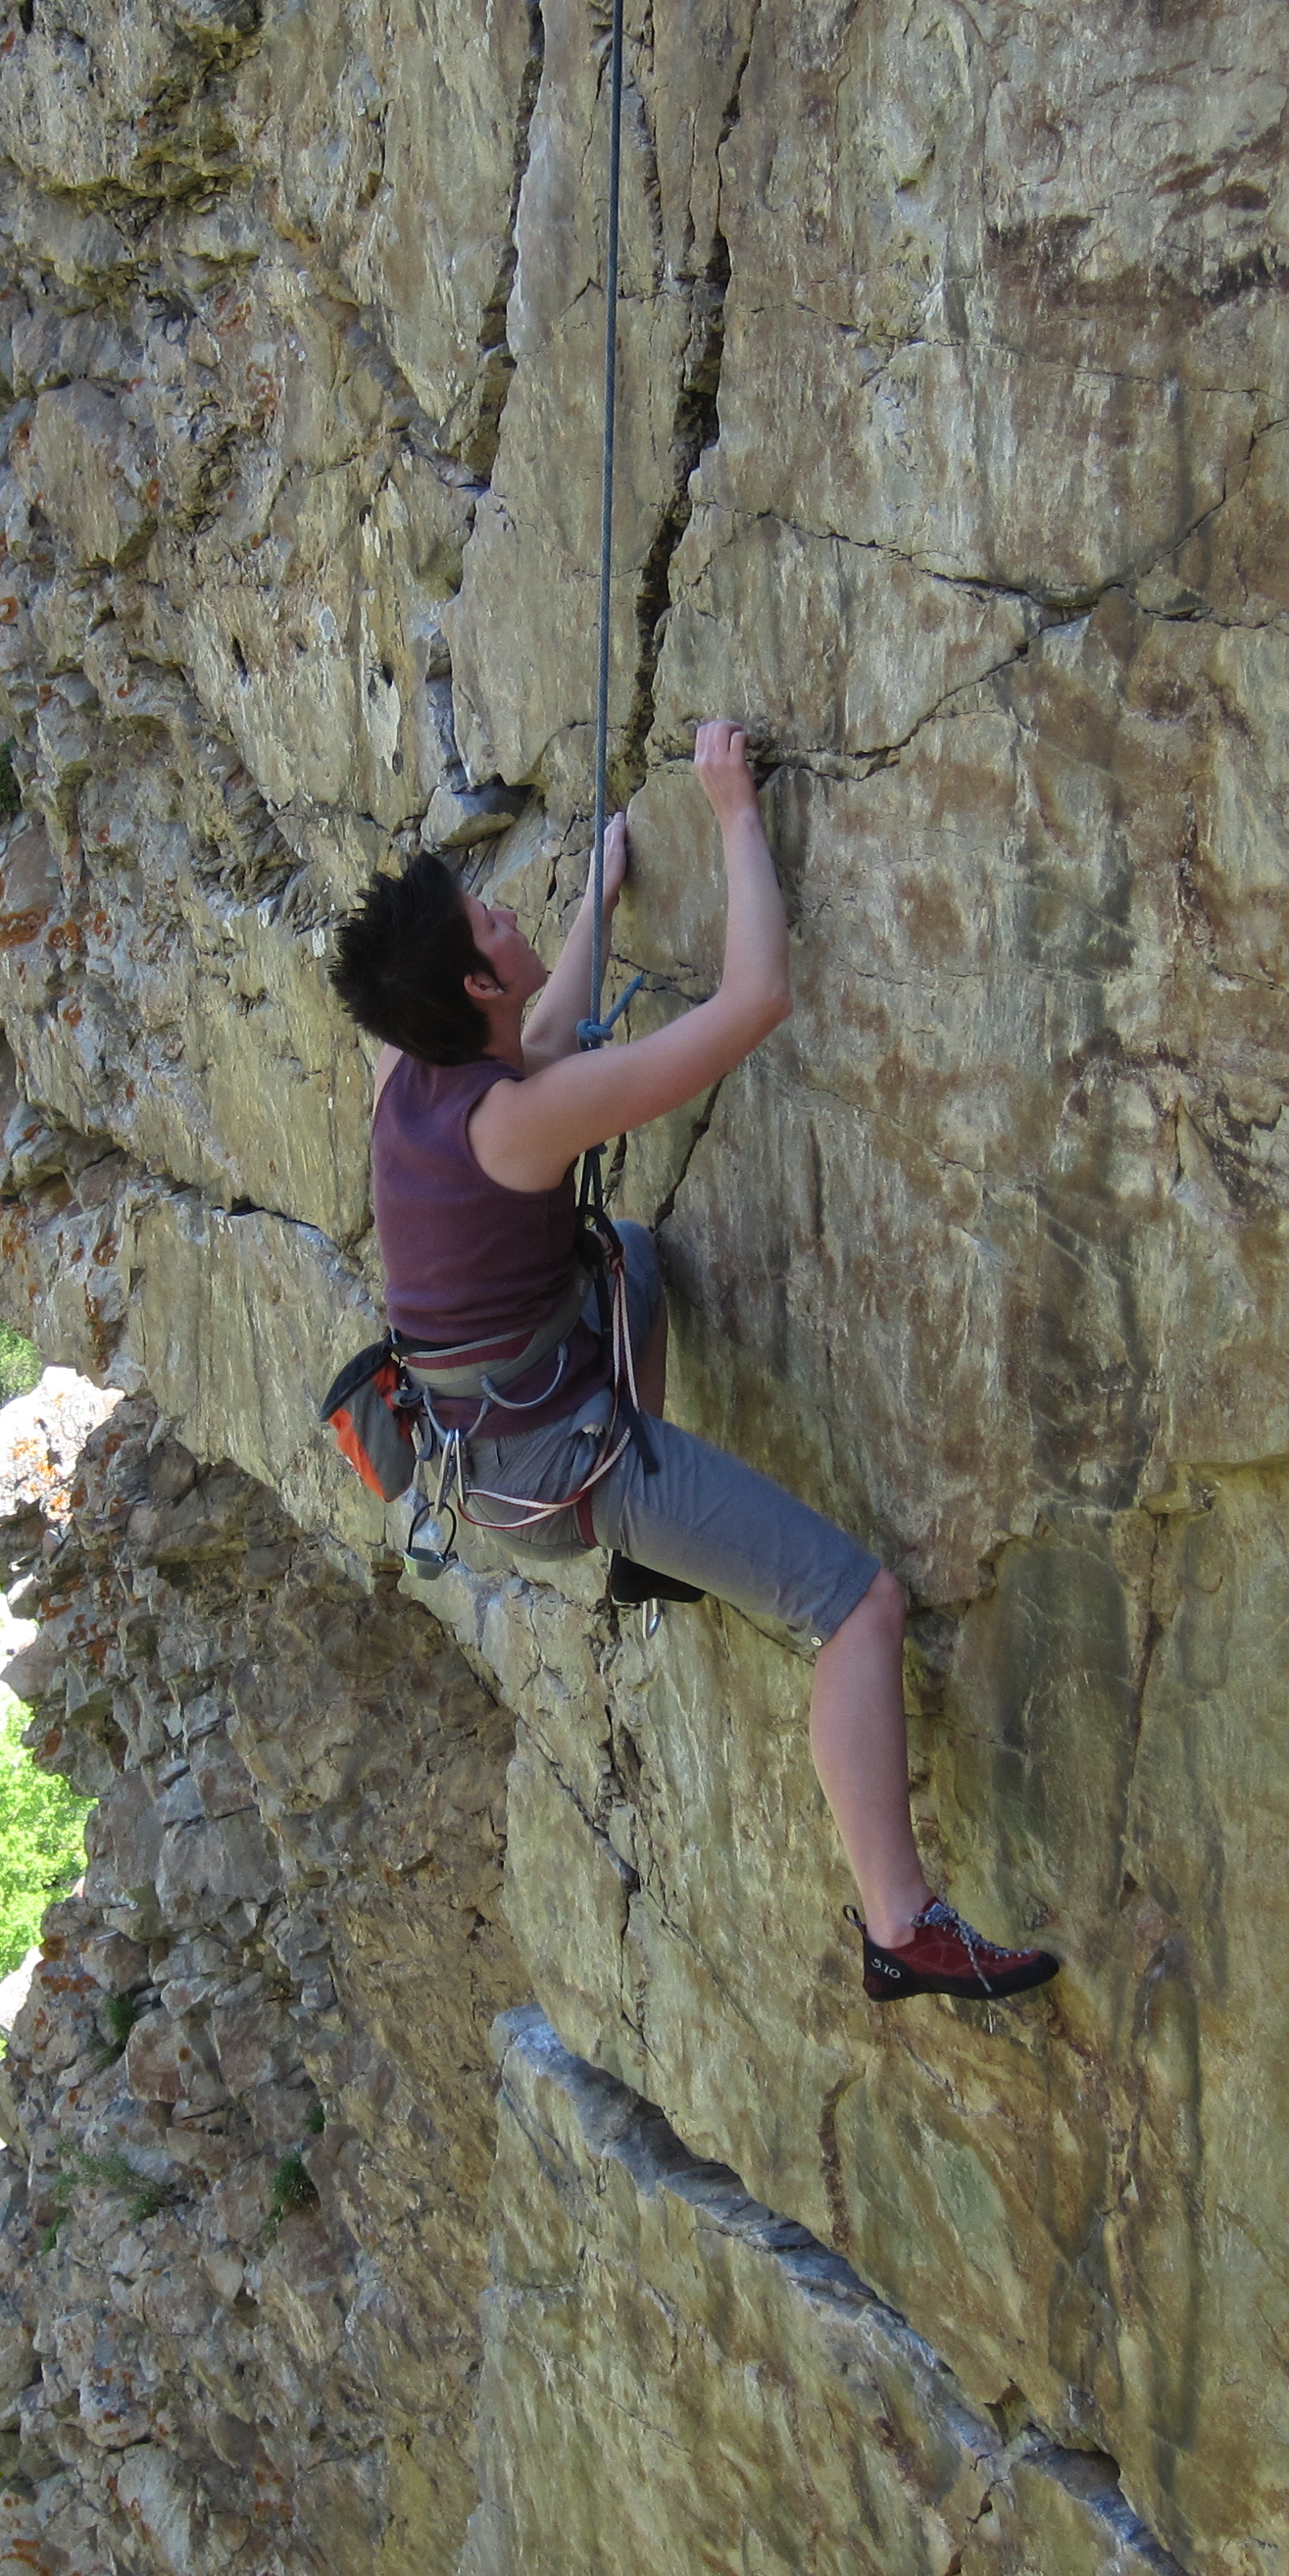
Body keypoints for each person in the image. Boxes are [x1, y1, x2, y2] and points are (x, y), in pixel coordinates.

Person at [326, 720, 1060, 2006]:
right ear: (473, 989)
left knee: (640, 1259)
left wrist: (597, 902)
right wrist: (731, 812)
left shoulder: (414, 1068)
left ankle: (659, 1550)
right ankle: (902, 1926)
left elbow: (536, 1034)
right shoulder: (515, 1119)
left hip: (495, 1446)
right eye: (491, 923)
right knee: (860, 1608)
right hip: (561, 1470)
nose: (506, 915)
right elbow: (752, 1004)